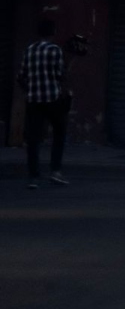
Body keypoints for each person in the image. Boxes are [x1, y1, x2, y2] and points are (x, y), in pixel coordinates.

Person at [18, 18, 68, 189]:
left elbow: (21, 76)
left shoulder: (29, 50)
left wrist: (30, 89)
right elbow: (60, 75)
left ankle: (34, 177)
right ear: (52, 32)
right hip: (52, 98)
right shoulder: (55, 50)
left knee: (33, 139)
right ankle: (55, 171)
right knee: (59, 133)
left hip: (33, 100)